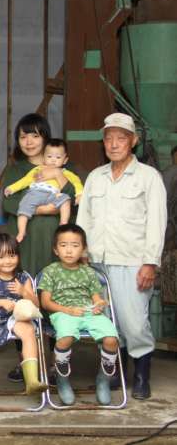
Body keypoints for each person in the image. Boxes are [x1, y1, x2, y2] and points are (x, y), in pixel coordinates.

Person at [77, 112, 167, 400]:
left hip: (133, 262)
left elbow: (157, 222)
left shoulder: (148, 177)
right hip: (97, 262)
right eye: (109, 138)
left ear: (134, 141)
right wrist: (80, 256)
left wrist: (150, 263)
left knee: (134, 322)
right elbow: (83, 220)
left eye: (121, 138)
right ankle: (115, 374)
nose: (114, 144)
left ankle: (141, 375)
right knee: (106, 322)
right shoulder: (95, 177)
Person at [2, 113, 78, 383]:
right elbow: (11, 204)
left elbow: (74, 197)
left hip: (54, 246)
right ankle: (26, 361)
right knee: (22, 297)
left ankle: (58, 362)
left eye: (35, 134)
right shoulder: (15, 170)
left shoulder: (62, 167)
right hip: (23, 244)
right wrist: (51, 208)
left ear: (45, 137)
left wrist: (37, 208)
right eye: (23, 136)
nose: (29, 141)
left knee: (54, 298)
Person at [39, 224, 120, 406]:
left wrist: (99, 304)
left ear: (83, 249)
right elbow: (45, 303)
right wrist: (68, 310)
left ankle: (103, 381)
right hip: (63, 313)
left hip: (89, 312)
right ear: (55, 249)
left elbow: (96, 298)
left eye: (75, 246)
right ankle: (62, 380)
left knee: (111, 339)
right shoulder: (50, 271)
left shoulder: (89, 272)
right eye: (64, 245)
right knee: (65, 338)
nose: (69, 250)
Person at [0, 233, 47, 398]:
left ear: (18, 256)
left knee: (28, 332)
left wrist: (24, 292)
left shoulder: (23, 277)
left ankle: (32, 380)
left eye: (12, 256)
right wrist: (0, 302)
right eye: (1, 257)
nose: (7, 261)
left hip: (16, 316)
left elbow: (36, 304)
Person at [4, 139, 84, 243]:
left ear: (65, 160)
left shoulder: (66, 173)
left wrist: (79, 194)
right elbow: (25, 180)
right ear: (44, 158)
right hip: (36, 193)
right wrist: (12, 188)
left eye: (58, 157)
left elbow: (77, 183)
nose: (53, 160)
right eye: (49, 157)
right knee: (24, 206)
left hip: (54, 195)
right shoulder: (38, 169)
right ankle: (22, 230)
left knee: (66, 200)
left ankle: (63, 223)